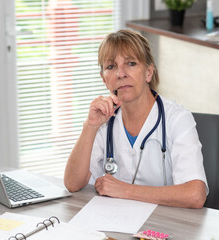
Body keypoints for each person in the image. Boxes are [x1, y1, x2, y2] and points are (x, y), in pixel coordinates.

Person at [64, 29, 208, 208]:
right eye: (111, 67)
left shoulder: (177, 119)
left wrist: (124, 190)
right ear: (104, 79)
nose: (121, 73)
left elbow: (195, 195)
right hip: (115, 221)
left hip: (164, 225)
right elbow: (72, 183)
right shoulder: (104, 120)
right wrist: (90, 126)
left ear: (148, 72)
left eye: (131, 63)